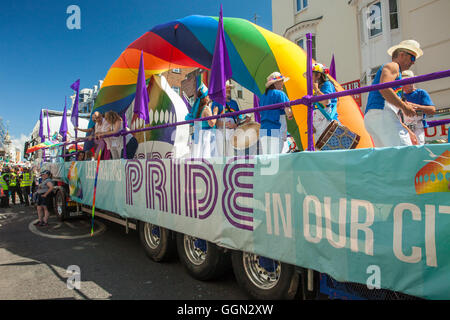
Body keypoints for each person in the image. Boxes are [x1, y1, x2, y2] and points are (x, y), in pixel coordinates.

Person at [364, 40, 423, 147]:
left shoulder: (395, 71)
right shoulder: (393, 66)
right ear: (402, 54)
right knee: (405, 151)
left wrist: (407, 130)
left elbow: (387, 96)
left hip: (376, 115)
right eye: (412, 58)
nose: (413, 62)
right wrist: (404, 106)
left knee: (388, 156)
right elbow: (384, 89)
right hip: (381, 113)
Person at [259, 72, 293, 155]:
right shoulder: (280, 94)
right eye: (281, 81)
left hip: (263, 130)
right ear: (276, 83)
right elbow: (288, 111)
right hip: (277, 129)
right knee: (276, 158)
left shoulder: (263, 97)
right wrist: (290, 115)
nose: (283, 84)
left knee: (267, 158)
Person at [213, 80, 250, 157]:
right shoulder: (216, 102)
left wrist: (244, 120)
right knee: (221, 155)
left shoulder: (234, 103)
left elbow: (239, 119)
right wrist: (224, 124)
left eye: (229, 88)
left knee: (231, 155)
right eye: (226, 88)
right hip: (220, 132)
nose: (228, 90)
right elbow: (213, 121)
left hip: (232, 132)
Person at [401, 70, 436, 145]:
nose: (403, 85)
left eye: (405, 82)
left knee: (418, 148)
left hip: (417, 127)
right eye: (401, 82)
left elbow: (432, 110)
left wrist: (416, 106)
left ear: (412, 81)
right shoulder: (399, 95)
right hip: (403, 128)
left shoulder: (421, 93)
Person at [310, 63, 339, 141]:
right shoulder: (317, 91)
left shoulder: (327, 84)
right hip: (320, 127)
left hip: (329, 124)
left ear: (318, 75)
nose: (309, 78)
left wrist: (317, 90)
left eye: (311, 75)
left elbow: (326, 102)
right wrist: (312, 124)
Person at [190, 83, 219, 158]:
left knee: (198, 156)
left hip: (198, 135)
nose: (209, 96)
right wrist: (215, 112)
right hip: (205, 135)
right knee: (206, 156)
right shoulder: (206, 108)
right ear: (205, 98)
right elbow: (212, 123)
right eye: (207, 95)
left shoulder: (197, 110)